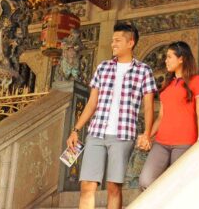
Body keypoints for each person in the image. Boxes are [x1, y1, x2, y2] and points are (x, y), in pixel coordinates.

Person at [66, 23, 157, 209]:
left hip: (123, 136)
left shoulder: (143, 70)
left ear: (130, 42)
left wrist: (147, 133)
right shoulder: (103, 68)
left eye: (117, 40)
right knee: (87, 185)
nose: (113, 44)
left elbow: (148, 107)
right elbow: (92, 104)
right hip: (96, 133)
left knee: (114, 187)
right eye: (112, 40)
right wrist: (76, 130)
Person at [138, 41, 199, 189]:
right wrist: (148, 135)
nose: (166, 60)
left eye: (169, 57)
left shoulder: (197, 80)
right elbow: (161, 117)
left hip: (184, 143)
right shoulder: (167, 85)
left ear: (181, 58)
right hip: (161, 143)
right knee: (145, 181)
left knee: (180, 185)